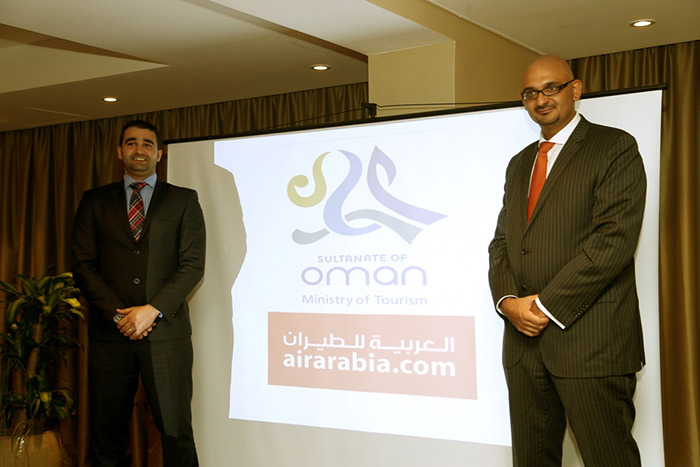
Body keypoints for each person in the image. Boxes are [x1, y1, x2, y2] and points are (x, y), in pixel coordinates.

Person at [488, 55, 646, 466]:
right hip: (523, 347)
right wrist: (508, 302)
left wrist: (543, 307)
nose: (540, 100)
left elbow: (613, 241)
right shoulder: (519, 163)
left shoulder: (614, 147)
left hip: (591, 344)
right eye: (530, 93)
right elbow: (502, 243)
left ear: (575, 89)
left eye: (550, 88)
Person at [72, 120, 206, 466]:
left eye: (148, 144)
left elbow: (192, 265)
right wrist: (120, 316)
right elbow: (83, 265)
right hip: (110, 337)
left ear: (159, 154)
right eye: (131, 143)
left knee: (176, 434)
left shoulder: (183, 200)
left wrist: (151, 310)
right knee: (107, 438)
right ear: (120, 152)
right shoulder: (94, 201)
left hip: (166, 337)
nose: (139, 149)